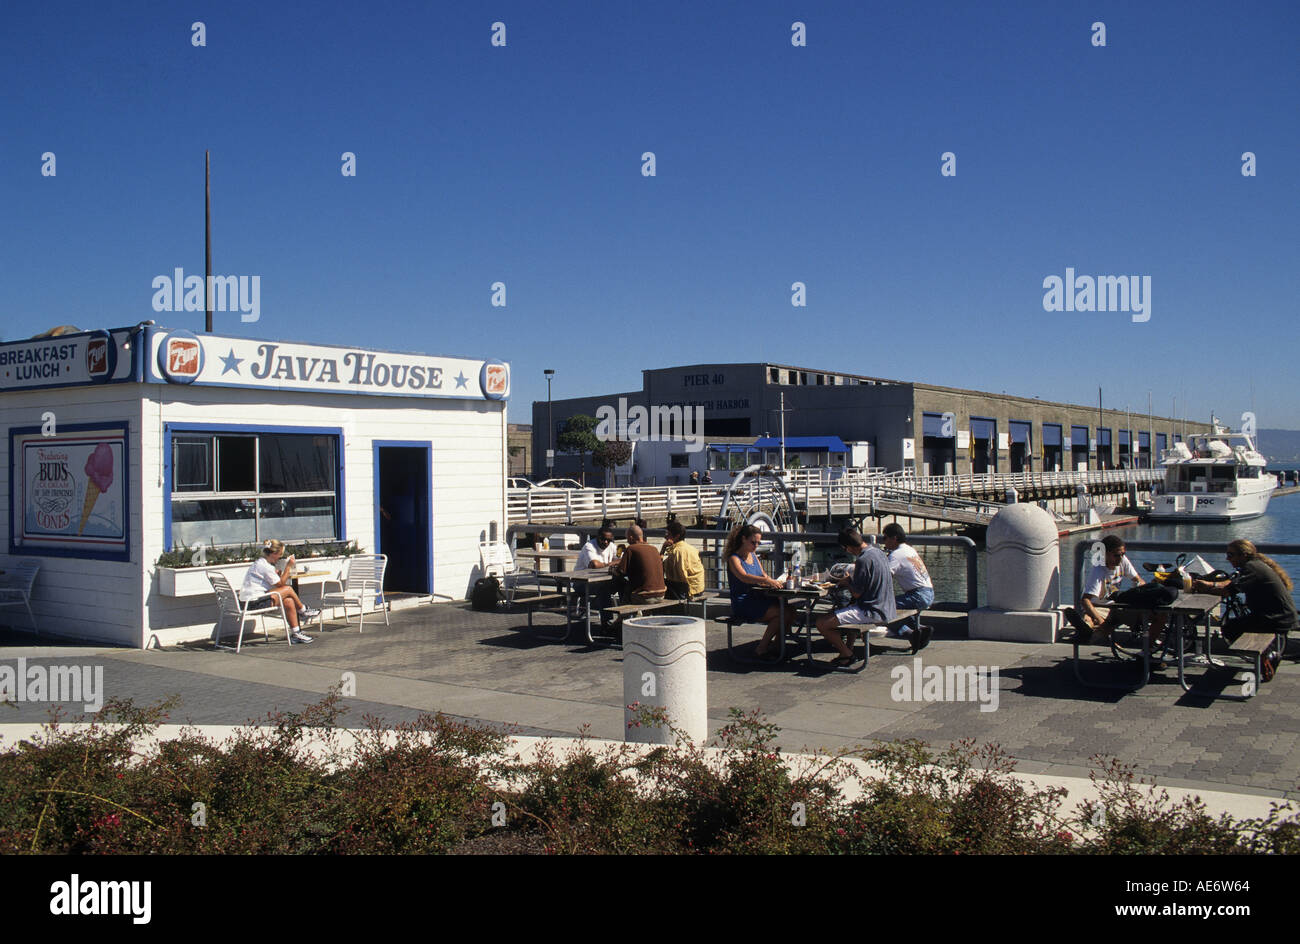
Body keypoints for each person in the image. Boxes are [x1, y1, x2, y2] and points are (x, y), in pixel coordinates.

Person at [1191, 539, 1297, 681]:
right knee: (1235, 626)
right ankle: (1265, 656)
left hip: (1275, 618)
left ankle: (1266, 656)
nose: (1227, 558)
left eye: (1231, 554)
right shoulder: (1254, 565)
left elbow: (1228, 591)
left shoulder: (1252, 568)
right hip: (1280, 614)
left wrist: (1207, 588)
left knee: (1229, 628)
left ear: (1243, 555)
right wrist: (1211, 584)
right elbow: (1232, 582)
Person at [816, 529, 921, 666]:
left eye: (846, 548)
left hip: (872, 610)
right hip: (887, 606)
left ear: (848, 546)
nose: (847, 552)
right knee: (848, 608)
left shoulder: (863, 560)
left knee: (821, 622)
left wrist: (847, 582)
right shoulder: (879, 553)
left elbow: (857, 593)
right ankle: (848, 649)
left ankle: (847, 654)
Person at [1064, 534, 1163, 649]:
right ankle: (1087, 628)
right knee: (1093, 619)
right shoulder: (1099, 570)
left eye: (1123, 554)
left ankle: (1087, 632)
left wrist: (1139, 586)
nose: (1120, 558)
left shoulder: (1122, 560)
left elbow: (1138, 579)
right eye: (1116, 555)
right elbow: (1085, 600)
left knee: (1157, 615)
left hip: (1116, 606)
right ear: (1105, 554)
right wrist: (1100, 620)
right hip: (1100, 606)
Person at [724, 524, 797, 659]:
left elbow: (763, 575)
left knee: (791, 611)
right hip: (744, 601)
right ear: (743, 539)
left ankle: (778, 645)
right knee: (782, 613)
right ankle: (762, 648)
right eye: (753, 542)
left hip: (759, 597)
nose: (755, 546)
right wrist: (766, 580)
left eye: (758, 543)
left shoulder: (753, 555)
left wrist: (776, 582)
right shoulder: (734, 559)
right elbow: (744, 577)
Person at [239, 539, 319, 644]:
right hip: (254, 603)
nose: (279, 558)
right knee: (289, 589)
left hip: (248, 602)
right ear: (273, 553)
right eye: (279, 555)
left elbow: (273, 582)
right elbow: (281, 584)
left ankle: (296, 633)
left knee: (288, 600)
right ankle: (303, 610)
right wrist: (288, 567)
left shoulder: (259, 563)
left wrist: (277, 573)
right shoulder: (266, 566)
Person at [881, 523, 934, 641]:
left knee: (883, 608)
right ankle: (920, 629)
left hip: (917, 595)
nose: (884, 542)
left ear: (894, 538)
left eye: (885, 538)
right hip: (928, 592)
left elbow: (883, 577)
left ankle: (908, 633)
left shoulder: (895, 555)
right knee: (895, 606)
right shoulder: (909, 549)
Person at [608, 524, 666, 604]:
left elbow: (620, 572)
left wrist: (611, 568)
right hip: (661, 594)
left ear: (631, 537)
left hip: (644, 596)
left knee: (619, 583)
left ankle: (624, 613)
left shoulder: (631, 549)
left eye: (627, 539)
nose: (627, 541)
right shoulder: (654, 549)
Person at [662, 519, 705, 600]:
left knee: (657, 588)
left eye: (668, 534)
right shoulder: (690, 548)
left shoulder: (677, 552)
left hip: (688, 590)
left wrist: (663, 549)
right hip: (698, 588)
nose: (665, 537)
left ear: (677, 536)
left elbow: (681, 575)